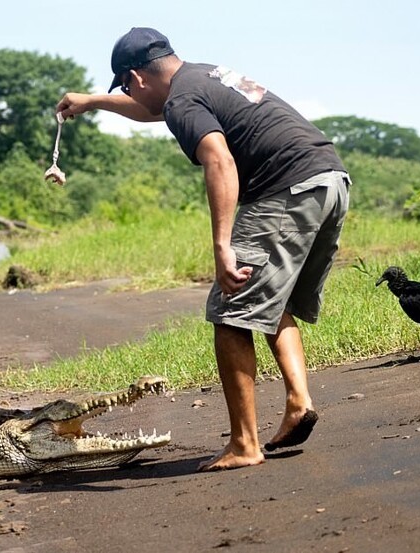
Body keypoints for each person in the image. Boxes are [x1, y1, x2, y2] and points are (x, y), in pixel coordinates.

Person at [56, 27, 350, 471]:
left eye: (126, 88)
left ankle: (244, 444)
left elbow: (219, 160)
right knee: (272, 297)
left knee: (230, 308)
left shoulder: (180, 100)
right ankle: (297, 403)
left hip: (285, 188)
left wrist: (221, 247)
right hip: (328, 179)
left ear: (135, 78)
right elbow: (152, 111)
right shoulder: (201, 76)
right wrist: (93, 101)